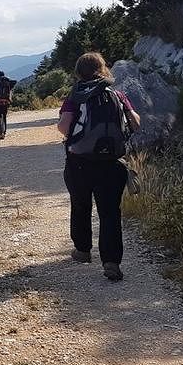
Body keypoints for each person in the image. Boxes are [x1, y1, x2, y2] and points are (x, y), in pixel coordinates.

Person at [57, 52, 141, 281]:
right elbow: (135, 122)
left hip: (79, 162)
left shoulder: (76, 96)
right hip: (112, 163)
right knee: (110, 213)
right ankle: (111, 262)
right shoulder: (117, 94)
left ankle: (83, 250)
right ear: (103, 69)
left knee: (81, 205)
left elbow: (64, 128)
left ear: (78, 72)